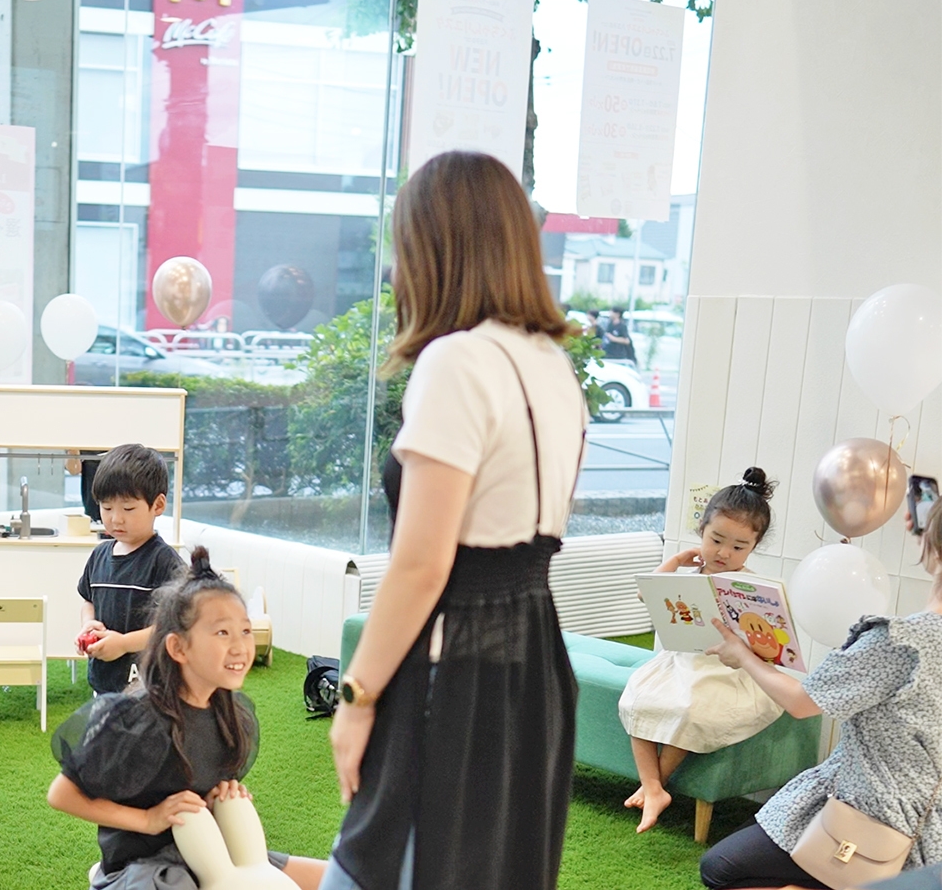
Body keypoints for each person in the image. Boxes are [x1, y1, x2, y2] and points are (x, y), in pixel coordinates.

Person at [325, 151, 586, 890]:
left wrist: (355, 696)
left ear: (435, 248)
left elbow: (422, 563)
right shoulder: (552, 365)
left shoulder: (457, 362)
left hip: (453, 670)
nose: (395, 268)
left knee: (388, 864)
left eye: (401, 247)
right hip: (533, 662)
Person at [49, 547, 328, 890]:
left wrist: (220, 795)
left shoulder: (232, 713)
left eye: (245, 631)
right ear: (178, 648)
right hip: (144, 865)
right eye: (222, 633)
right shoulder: (135, 718)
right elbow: (62, 795)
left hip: (210, 855)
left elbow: (198, 789)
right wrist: (148, 819)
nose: (240, 647)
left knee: (339, 879)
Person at [698, 506, 942, 889]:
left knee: (721, 868)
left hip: (873, 812)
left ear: (931, 547)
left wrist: (743, 655)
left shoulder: (901, 643)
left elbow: (801, 702)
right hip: (932, 834)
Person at [618, 468, 779, 833]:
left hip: (728, 672)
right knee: (635, 700)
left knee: (692, 708)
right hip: (681, 662)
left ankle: (651, 787)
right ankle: (654, 788)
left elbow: (769, 641)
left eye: (739, 547)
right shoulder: (687, 574)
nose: (724, 552)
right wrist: (675, 562)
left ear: (754, 547)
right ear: (701, 531)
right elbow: (647, 592)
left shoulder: (750, 586)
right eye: (716, 539)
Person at [76, 443, 186, 694]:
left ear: (157, 506)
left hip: (150, 687)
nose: (116, 518)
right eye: (106, 508)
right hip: (105, 681)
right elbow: (88, 600)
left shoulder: (164, 562)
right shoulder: (99, 555)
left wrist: (125, 644)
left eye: (127, 508)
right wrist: (89, 624)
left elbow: (175, 624)